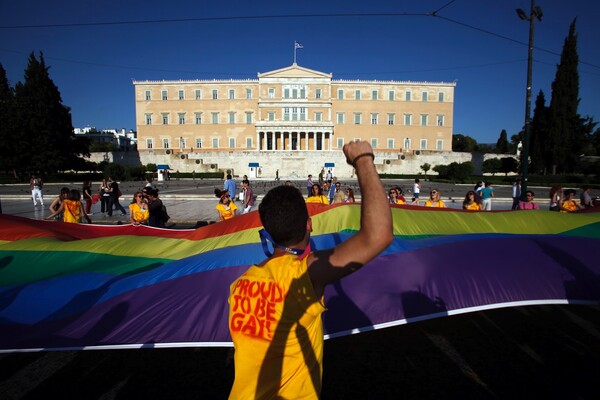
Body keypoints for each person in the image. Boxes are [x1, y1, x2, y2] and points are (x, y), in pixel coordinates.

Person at [227, 140, 393, 399]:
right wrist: (363, 159)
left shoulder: (238, 286)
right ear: (309, 225)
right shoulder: (304, 274)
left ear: (267, 232)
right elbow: (378, 235)